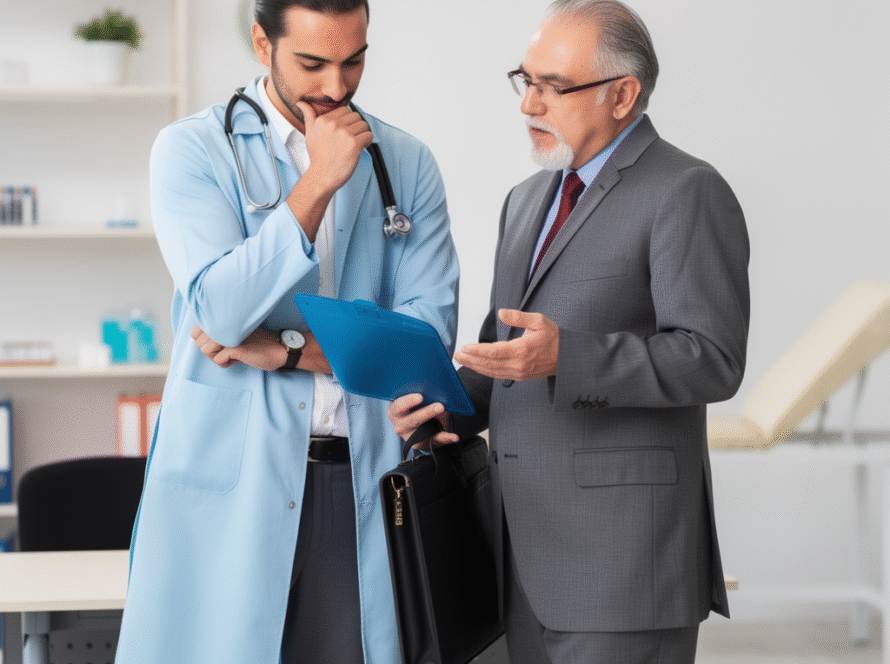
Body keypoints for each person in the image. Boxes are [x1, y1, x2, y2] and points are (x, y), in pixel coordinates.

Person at [388, 1, 749, 662]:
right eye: (524, 80)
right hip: (517, 556)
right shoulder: (526, 200)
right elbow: (510, 356)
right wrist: (445, 405)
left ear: (622, 94)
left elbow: (712, 358)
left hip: (625, 564)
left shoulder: (687, 191)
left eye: (552, 86)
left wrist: (569, 357)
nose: (529, 104)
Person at [114, 1, 459, 663]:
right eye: (312, 63)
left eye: (354, 60)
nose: (336, 87)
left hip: (356, 481)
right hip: (229, 482)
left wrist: (284, 350)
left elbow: (420, 348)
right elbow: (219, 310)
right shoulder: (191, 149)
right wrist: (320, 181)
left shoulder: (407, 163)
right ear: (260, 42)